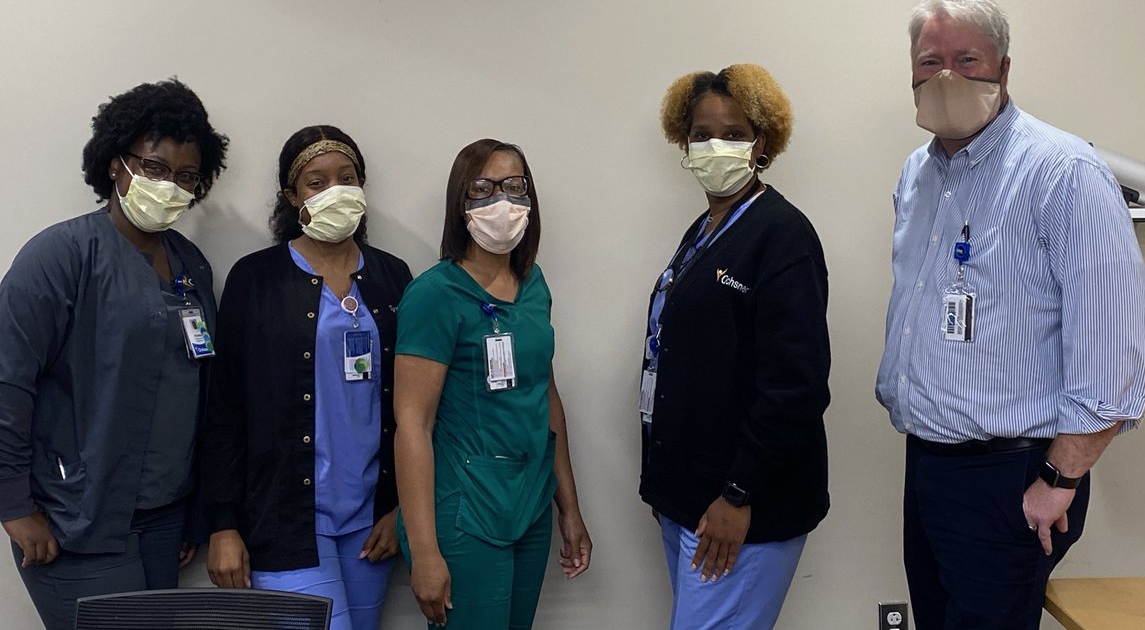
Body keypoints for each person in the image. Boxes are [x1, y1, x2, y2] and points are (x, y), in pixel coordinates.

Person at [875, 0, 1145, 630]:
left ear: (1003, 69)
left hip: (1016, 472)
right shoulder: (917, 175)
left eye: (967, 59)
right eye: (929, 62)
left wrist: (1063, 474)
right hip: (929, 464)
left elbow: (1112, 337)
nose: (946, 75)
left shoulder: (1063, 171)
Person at [0, 79, 228, 630]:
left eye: (185, 176)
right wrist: (13, 507)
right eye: (152, 167)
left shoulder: (191, 265)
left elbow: (198, 390)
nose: (168, 185)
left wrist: (194, 514)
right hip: (74, 521)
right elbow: (7, 381)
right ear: (114, 164)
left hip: (165, 520)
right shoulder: (60, 255)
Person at [640, 64, 831, 630]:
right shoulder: (704, 230)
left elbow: (794, 387)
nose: (714, 146)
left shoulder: (782, 235)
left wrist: (738, 493)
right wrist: (665, 485)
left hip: (740, 507)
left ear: (761, 141)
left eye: (732, 133)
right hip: (688, 498)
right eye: (701, 134)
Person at [203, 126, 412, 630]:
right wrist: (221, 525)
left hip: (372, 517)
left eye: (347, 178)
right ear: (291, 196)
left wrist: (401, 509)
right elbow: (223, 407)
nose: (334, 190)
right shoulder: (256, 278)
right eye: (316, 182)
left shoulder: (393, 276)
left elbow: (415, 406)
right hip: (287, 517)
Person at [393, 139, 591, 630]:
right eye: (483, 188)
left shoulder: (534, 285)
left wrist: (570, 507)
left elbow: (545, 394)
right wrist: (423, 553)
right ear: (460, 203)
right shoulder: (434, 295)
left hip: (530, 504)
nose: (501, 201)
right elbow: (412, 425)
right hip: (465, 512)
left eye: (514, 186)